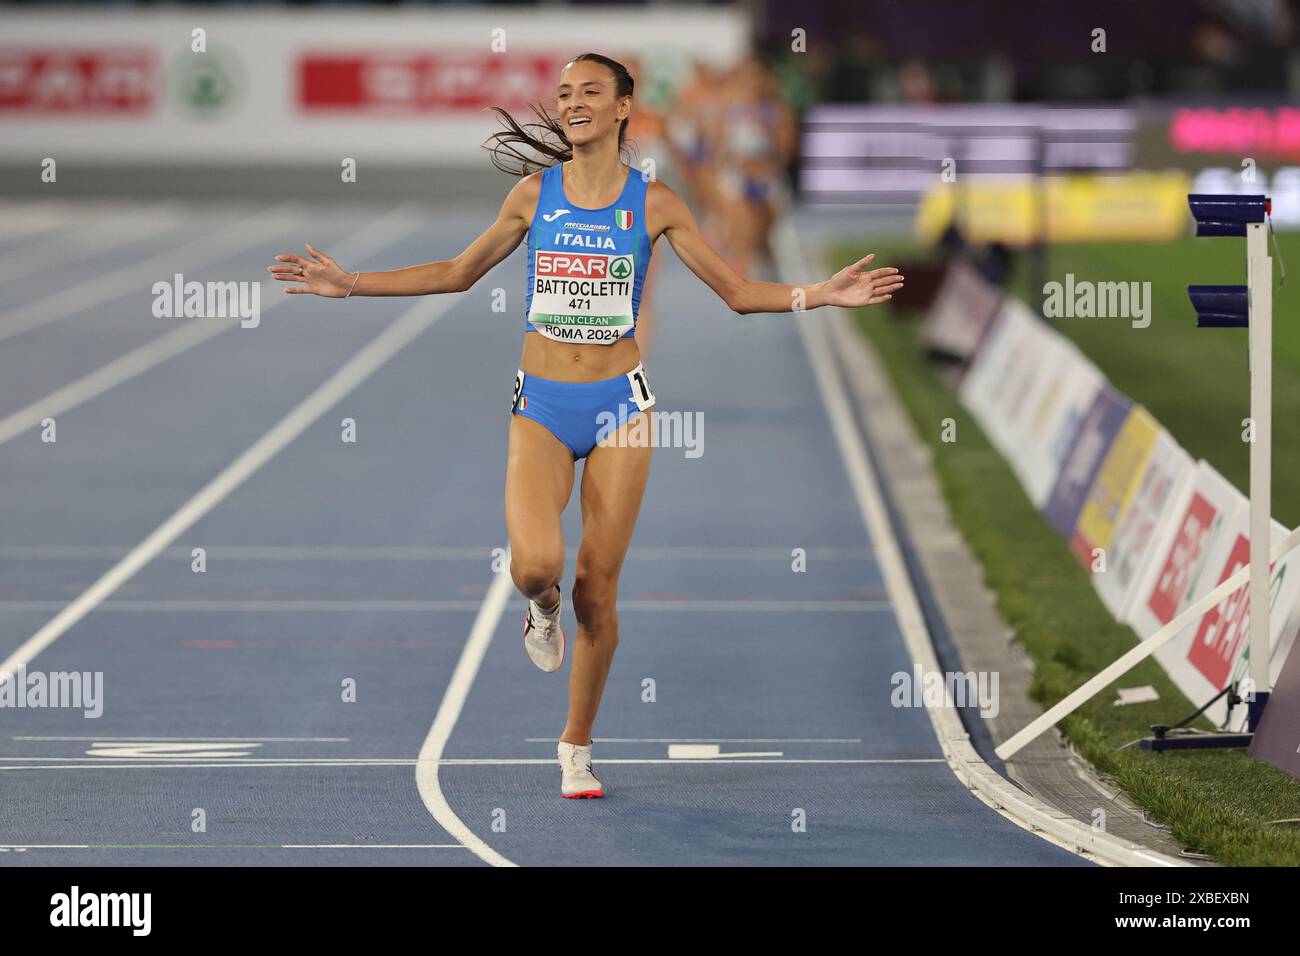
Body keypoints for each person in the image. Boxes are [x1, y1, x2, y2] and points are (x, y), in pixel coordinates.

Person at [267, 52, 903, 799]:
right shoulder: (533, 196)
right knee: (537, 566)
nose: (572, 102)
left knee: (596, 590)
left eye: (590, 92)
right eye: (564, 93)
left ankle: (576, 745)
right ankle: (540, 611)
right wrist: (352, 283)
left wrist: (817, 296)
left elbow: (735, 292)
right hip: (540, 405)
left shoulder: (657, 204)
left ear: (624, 108)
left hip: (621, 411)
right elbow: (457, 271)